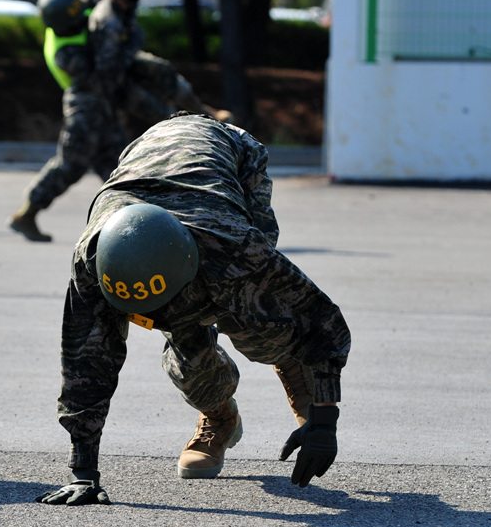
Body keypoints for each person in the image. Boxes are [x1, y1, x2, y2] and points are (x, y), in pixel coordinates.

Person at [37, 112, 352, 506]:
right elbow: (87, 363)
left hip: (232, 157)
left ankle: (288, 360)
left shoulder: (234, 245)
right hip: (147, 151)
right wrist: (83, 472)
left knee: (258, 318)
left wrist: (325, 419)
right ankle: (220, 416)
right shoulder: (93, 263)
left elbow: (322, 321)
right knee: (190, 363)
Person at [9, 0, 142, 242]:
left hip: (102, 103)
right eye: (75, 21)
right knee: (71, 165)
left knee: (116, 164)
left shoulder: (72, 7)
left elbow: (96, 1)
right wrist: (127, 46)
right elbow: (104, 73)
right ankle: (26, 213)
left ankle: (134, 222)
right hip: (84, 103)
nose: (81, 20)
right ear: (61, 25)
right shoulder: (65, 53)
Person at [86, 0, 230, 135]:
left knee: (162, 69)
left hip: (124, 62)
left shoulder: (123, 7)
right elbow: (109, 71)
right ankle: (186, 131)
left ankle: (204, 112)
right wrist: (133, 45)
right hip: (111, 81)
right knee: (155, 108)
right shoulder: (109, 22)